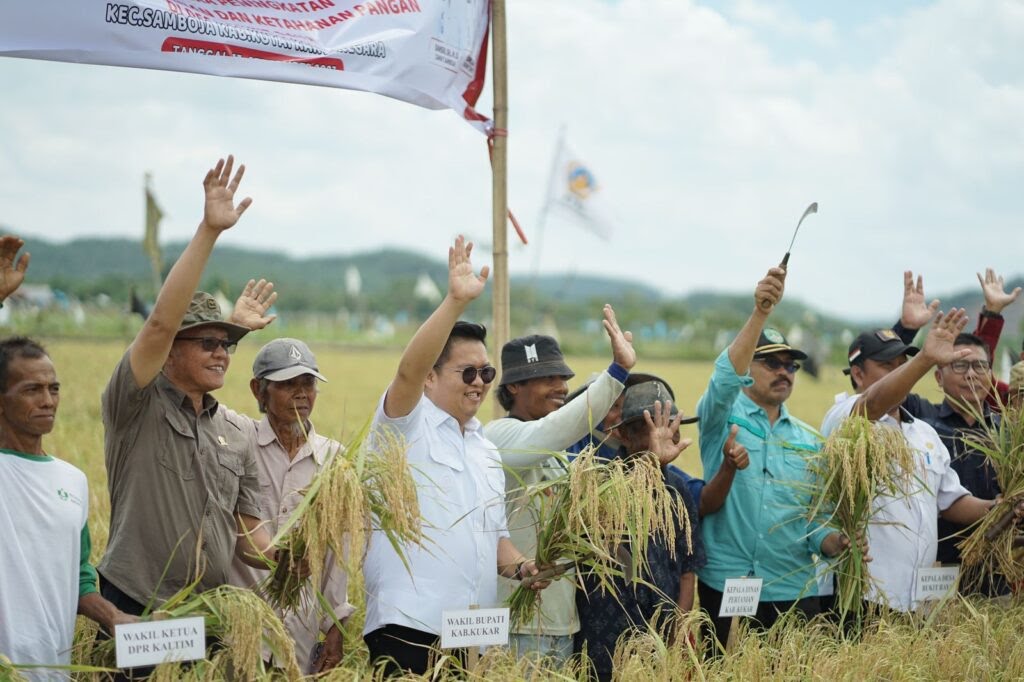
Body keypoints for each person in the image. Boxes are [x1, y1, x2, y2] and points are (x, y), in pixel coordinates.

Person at [97, 157, 283, 634]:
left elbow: (249, 539)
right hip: (135, 602)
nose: (222, 353)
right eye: (207, 343)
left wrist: (292, 557)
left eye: (227, 344)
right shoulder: (135, 403)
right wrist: (209, 231)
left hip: (207, 613)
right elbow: (161, 323)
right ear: (169, 351)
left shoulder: (235, 433)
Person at [362, 236, 548, 677]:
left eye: (487, 372)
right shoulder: (404, 427)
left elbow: (493, 538)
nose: (479, 383)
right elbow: (406, 370)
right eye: (467, 372)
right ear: (431, 377)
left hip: (473, 635)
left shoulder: (485, 449)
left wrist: (524, 568)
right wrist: (454, 302)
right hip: (411, 627)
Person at [0, 236, 137, 679]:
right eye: (31, 390)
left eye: (53, 388)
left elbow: (77, 577)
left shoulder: (72, 480)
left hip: (53, 669)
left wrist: (112, 616)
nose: (48, 400)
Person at [821, 311, 1022, 611]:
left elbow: (951, 500)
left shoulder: (923, 433)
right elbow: (873, 403)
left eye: (903, 365)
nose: (901, 373)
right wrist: (924, 360)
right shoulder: (847, 417)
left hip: (920, 598)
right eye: (887, 366)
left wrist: (999, 508)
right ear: (858, 375)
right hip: (865, 592)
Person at [695, 265, 853, 647]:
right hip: (727, 584)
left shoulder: (810, 441)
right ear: (748, 368)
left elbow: (816, 521)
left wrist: (834, 542)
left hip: (791, 588)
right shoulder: (720, 418)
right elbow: (724, 379)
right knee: (723, 671)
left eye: (791, 366)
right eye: (772, 363)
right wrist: (760, 312)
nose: (785, 372)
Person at [483, 314, 635, 664]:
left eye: (564, 378)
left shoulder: (558, 457)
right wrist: (616, 373)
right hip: (516, 625)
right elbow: (556, 429)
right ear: (513, 387)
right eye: (547, 378)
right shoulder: (497, 438)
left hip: (560, 623)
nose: (561, 387)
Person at [225, 337, 355, 674]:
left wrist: (335, 626)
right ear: (259, 390)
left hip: (299, 633)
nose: (301, 394)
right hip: (240, 628)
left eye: (308, 383)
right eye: (287, 384)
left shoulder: (334, 459)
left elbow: (337, 552)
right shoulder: (239, 444)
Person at [573, 380, 703, 682]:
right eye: (649, 428)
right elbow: (603, 529)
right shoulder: (598, 482)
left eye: (669, 426)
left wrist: (678, 630)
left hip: (660, 642)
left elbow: (688, 570)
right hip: (604, 646)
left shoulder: (679, 490)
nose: (662, 436)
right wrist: (651, 466)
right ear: (623, 434)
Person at [893, 269, 1020, 407]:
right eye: (960, 366)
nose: (972, 375)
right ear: (939, 377)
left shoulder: (1008, 410)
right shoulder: (921, 416)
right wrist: (906, 330)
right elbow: (882, 395)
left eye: (980, 367)